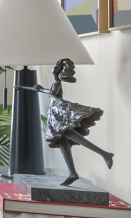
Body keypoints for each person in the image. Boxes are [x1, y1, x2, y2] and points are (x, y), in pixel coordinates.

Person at [20, 58, 114, 186]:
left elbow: (52, 92)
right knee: (61, 140)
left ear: (59, 72)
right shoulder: (56, 82)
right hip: (55, 113)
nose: (53, 70)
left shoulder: (57, 83)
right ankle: (73, 172)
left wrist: (41, 89)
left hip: (59, 114)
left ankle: (104, 154)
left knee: (65, 134)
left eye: (56, 69)